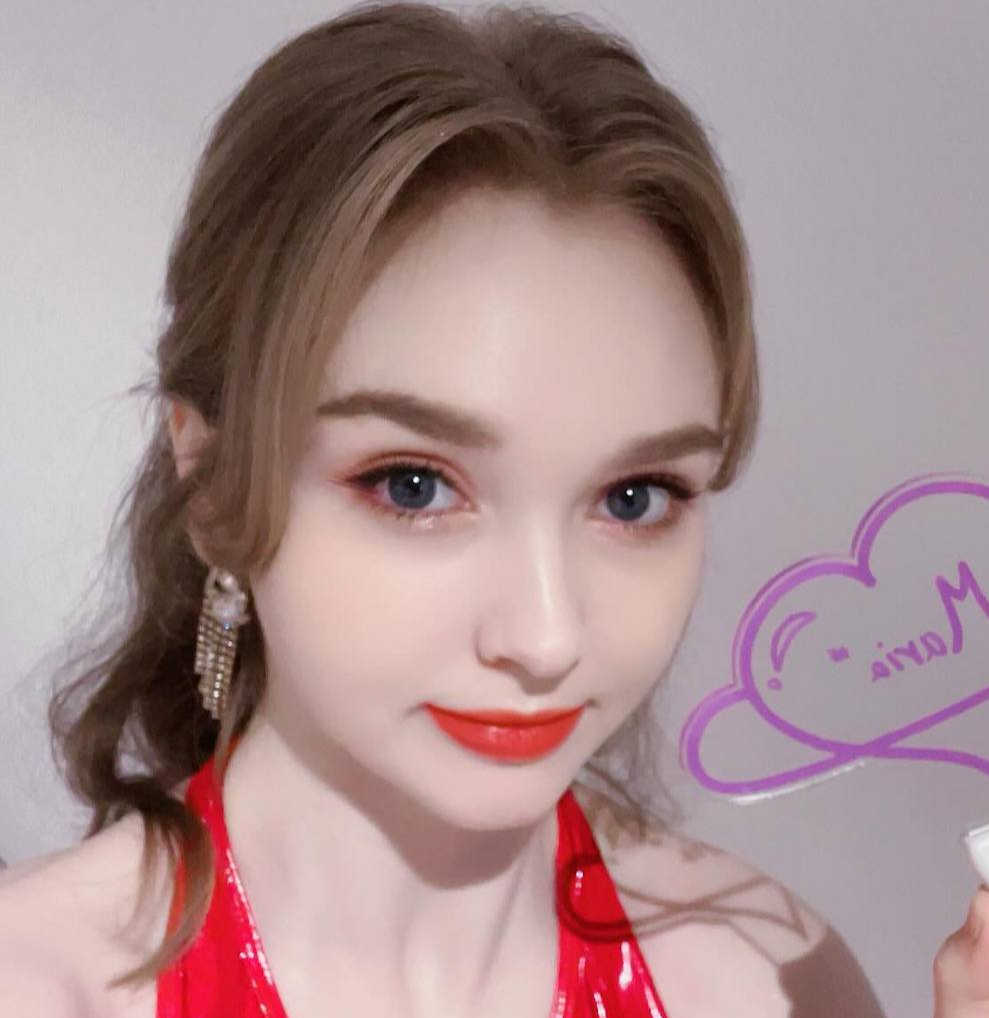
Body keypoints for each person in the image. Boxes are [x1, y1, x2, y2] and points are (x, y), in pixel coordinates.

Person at [1, 1, 931, 1013]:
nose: (545, 639)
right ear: (214, 481)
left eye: (633, 499)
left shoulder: (770, 982)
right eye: (414, 486)